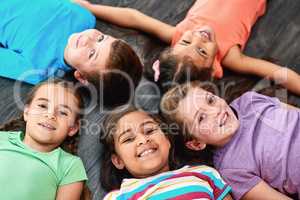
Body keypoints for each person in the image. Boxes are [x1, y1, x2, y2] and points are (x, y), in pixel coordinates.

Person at [73, 0, 300, 94]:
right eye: (202, 50)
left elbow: (135, 18)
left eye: (186, 42)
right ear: (214, 69)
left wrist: (90, 6)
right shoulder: (229, 56)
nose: (199, 37)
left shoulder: (179, 34)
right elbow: (281, 74)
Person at [160, 81, 300, 199]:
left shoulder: (250, 100)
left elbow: (295, 113)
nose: (215, 111)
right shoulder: (230, 170)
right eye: (201, 118)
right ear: (197, 143)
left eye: (210, 100)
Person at [0, 0, 143, 104]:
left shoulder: (37, 69)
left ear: (81, 76)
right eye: (101, 38)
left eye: (92, 54)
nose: (88, 39)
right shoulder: (83, 16)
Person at [100, 105, 232, 199]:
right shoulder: (118, 197)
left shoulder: (204, 173)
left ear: (167, 140)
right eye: (128, 139)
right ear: (118, 161)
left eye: (150, 131)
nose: (143, 139)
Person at [0, 79, 88, 200]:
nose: (50, 115)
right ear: (26, 112)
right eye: (42, 106)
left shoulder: (69, 165)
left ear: (72, 128)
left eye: (63, 112)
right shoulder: (2, 139)